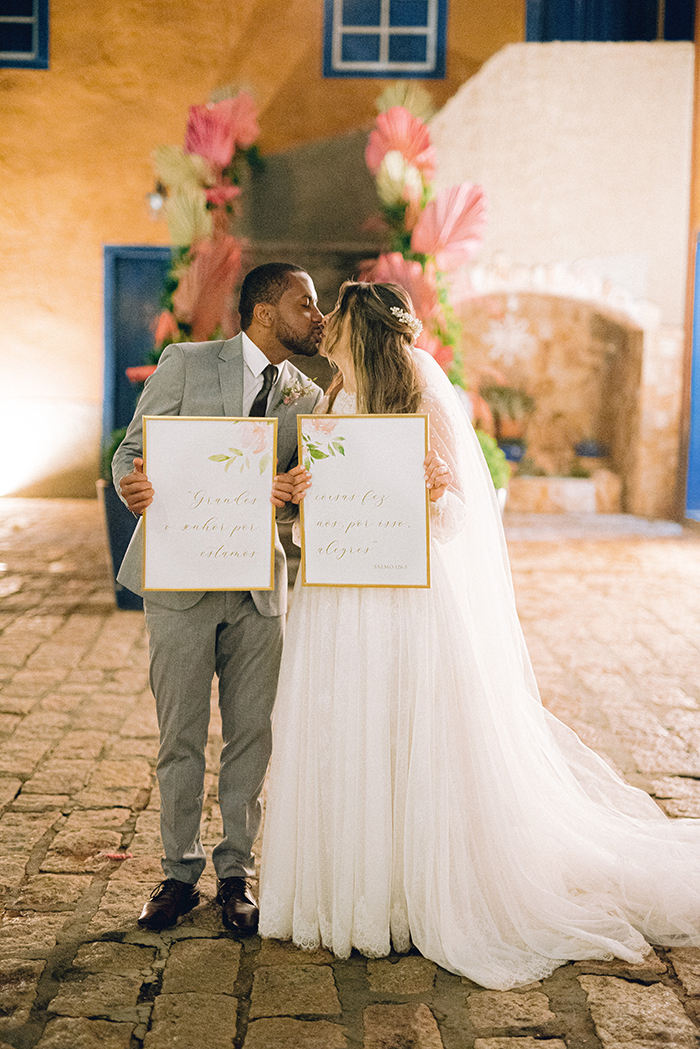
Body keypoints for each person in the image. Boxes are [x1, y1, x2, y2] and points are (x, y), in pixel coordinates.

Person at [259, 280, 700, 990]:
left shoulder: (422, 398)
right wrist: (309, 494)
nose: (326, 327)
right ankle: (352, 886)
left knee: (407, 732)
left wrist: (437, 491)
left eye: (336, 317)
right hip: (339, 595)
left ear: (361, 331)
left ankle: (411, 890)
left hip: (404, 596)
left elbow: (460, 517)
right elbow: (322, 505)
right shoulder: (331, 397)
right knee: (347, 727)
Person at [112, 262, 323, 932]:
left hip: (259, 587)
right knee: (179, 735)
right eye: (306, 303)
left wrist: (291, 499)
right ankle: (178, 874)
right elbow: (131, 453)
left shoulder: (309, 397)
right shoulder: (187, 363)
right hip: (181, 580)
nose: (318, 317)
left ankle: (236, 874)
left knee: (251, 734)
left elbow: (303, 499)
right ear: (265, 311)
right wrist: (131, 487)